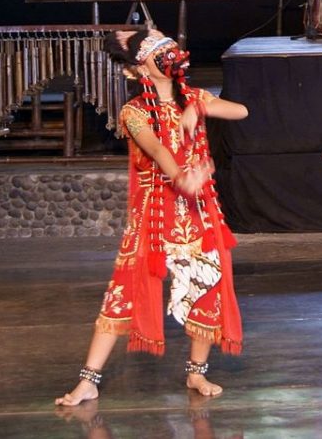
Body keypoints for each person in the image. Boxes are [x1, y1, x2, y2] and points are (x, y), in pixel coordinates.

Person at [55, 29, 248, 407]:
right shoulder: (134, 112)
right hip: (155, 213)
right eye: (160, 51)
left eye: (170, 49)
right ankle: (88, 380)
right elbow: (159, 149)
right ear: (139, 69)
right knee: (125, 288)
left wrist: (199, 107)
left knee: (208, 283)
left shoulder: (193, 96)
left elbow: (242, 111)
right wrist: (181, 177)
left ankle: (197, 371)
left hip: (198, 211)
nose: (170, 55)